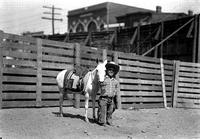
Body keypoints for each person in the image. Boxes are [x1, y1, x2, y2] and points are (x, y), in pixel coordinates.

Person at [97, 61, 120, 126]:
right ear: (106, 70)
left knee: (110, 111)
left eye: (112, 70)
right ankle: (102, 121)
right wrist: (101, 83)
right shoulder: (103, 79)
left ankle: (109, 121)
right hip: (103, 98)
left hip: (111, 98)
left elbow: (116, 90)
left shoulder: (116, 81)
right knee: (103, 110)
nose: (111, 71)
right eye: (109, 69)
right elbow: (99, 84)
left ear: (114, 72)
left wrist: (115, 95)